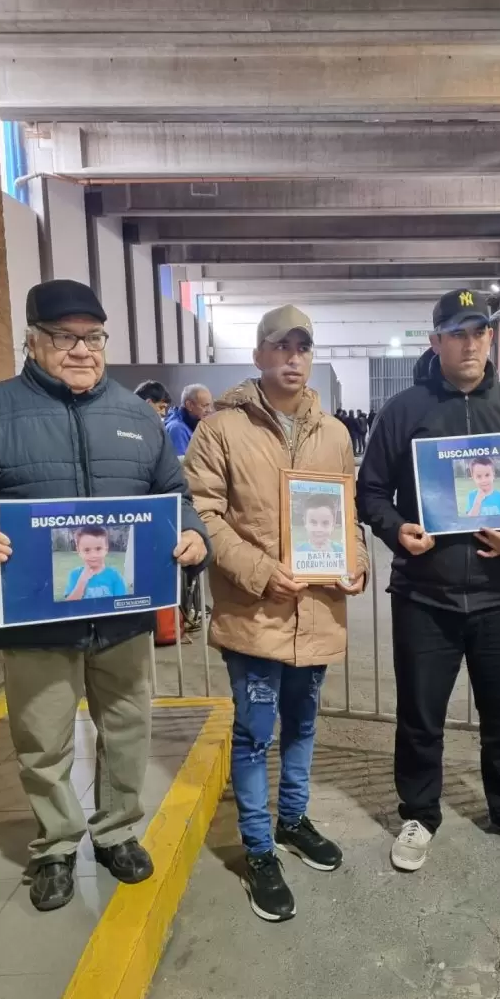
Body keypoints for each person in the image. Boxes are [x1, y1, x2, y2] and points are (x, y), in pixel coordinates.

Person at [0, 279, 209, 912]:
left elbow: (174, 495)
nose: (81, 350)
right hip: (35, 619)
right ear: (32, 341)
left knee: (127, 729)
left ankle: (117, 831)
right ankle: (58, 844)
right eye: (64, 337)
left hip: (122, 616)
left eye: (92, 337)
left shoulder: (134, 416)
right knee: (42, 740)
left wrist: (193, 533)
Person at [357, 288, 500, 873]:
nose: (468, 343)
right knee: (420, 715)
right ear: (435, 341)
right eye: (456, 333)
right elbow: (369, 491)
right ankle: (419, 813)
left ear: (491, 337)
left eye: (478, 331)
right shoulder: (403, 411)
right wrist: (398, 531)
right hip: (426, 596)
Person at [183, 304, 369, 923]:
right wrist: (261, 572)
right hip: (255, 614)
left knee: (304, 726)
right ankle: (259, 848)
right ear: (259, 355)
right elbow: (201, 514)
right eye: (280, 347)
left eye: (303, 348)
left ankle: (293, 820)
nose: (293, 358)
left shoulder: (335, 433)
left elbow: (347, 515)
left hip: (318, 611)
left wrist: (357, 562)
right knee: (254, 733)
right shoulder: (221, 429)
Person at [64, 526, 128, 600]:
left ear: (106, 549)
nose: (93, 555)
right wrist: (82, 581)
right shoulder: (75, 575)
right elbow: (69, 605)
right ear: (79, 551)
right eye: (87, 550)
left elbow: (120, 603)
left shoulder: (114, 575)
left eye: (98, 549)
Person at [164, 383, 215, 456]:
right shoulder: (177, 429)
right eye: (205, 406)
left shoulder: (192, 424)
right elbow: (181, 465)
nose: (209, 410)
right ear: (189, 405)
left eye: (210, 406)